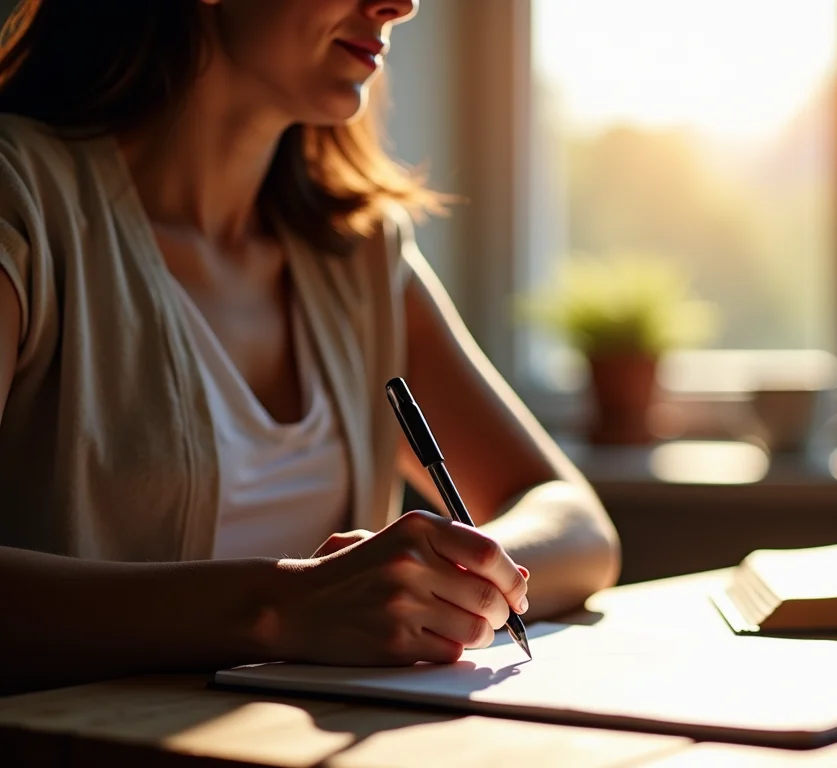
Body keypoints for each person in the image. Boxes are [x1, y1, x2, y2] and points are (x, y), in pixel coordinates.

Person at [0, 0, 620, 694]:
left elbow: (578, 524)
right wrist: (284, 605)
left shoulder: (358, 255)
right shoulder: (19, 205)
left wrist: (453, 581)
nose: (402, 5)